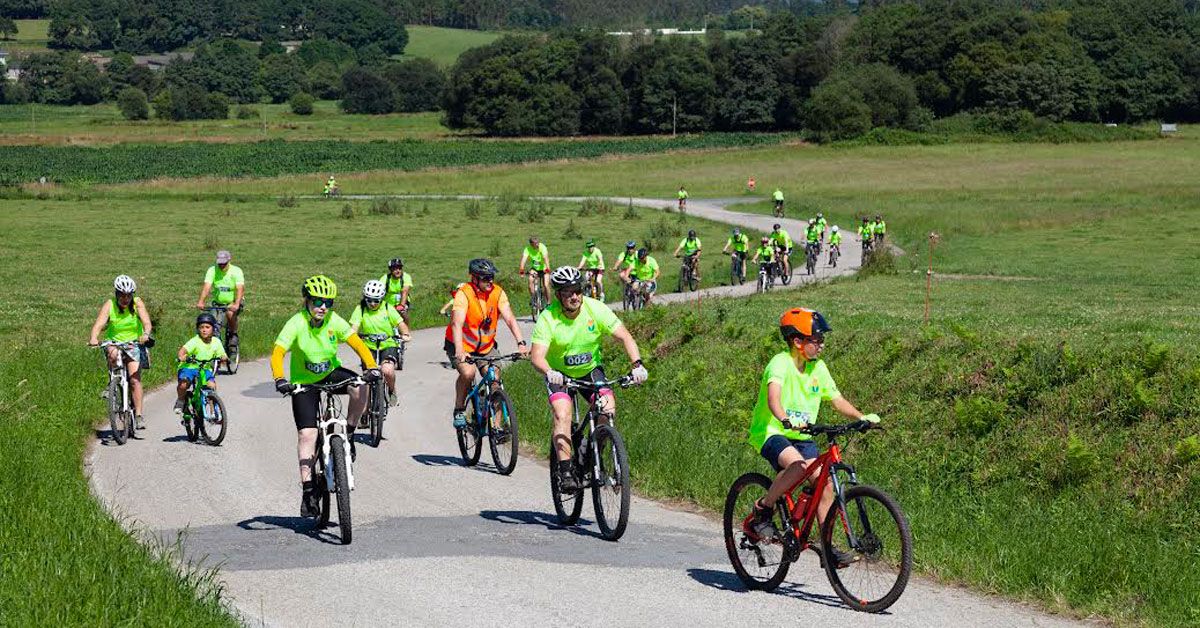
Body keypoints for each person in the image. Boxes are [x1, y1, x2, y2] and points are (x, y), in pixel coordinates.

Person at [746, 308, 880, 566]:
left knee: (825, 484)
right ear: (797, 342)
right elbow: (774, 398)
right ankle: (763, 509)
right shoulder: (780, 362)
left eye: (822, 341)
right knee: (799, 466)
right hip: (772, 431)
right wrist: (785, 419)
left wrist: (861, 417)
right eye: (815, 340)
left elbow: (837, 399)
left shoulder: (818, 368)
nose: (821, 346)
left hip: (803, 434)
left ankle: (827, 548)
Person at [272, 275, 381, 518]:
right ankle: (308, 491)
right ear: (307, 301)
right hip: (304, 383)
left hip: (331, 373)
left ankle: (350, 434)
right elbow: (278, 351)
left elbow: (356, 343)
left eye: (328, 303)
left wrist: (371, 365)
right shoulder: (296, 322)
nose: (323, 307)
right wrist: (280, 378)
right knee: (307, 434)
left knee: (360, 386)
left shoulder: (334, 320)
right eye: (318, 301)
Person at [531, 267, 648, 491]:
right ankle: (565, 471)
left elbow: (625, 336)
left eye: (578, 291)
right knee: (562, 414)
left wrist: (637, 365)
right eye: (568, 292)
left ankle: (592, 452)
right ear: (558, 296)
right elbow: (536, 356)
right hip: (559, 374)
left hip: (590, 370)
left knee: (608, 409)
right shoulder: (548, 317)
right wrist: (549, 372)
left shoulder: (595, 309)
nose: (574, 296)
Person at [445, 259, 530, 429]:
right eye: (485, 278)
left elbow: (510, 319)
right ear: (474, 278)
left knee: (495, 382)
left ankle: (496, 427)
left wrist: (521, 343)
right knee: (468, 374)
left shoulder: (497, 292)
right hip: (460, 344)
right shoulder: (464, 293)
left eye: (491, 277)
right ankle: (459, 409)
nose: (490, 281)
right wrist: (460, 351)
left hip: (486, 347)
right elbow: (457, 324)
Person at [88, 275, 153, 430]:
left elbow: (147, 322)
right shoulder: (109, 305)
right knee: (113, 354)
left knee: (134, 380)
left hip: (133, 343)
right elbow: (99, 323)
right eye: (122, 295)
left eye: (128, 296)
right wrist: (93, 338)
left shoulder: (137, 303)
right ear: (116, 294)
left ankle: (138, 415)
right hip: (114, 342)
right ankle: (112, 384)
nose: (125, 299)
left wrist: (146, 334)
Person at [349, 280, 412, 406]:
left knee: (387, 370)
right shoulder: (360, 309)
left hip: (388, 344)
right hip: (368, 346)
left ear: (381, 299)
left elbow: (400, 324)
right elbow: (354, 328)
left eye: (376, 300)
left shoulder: (388, 308)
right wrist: (352, 336)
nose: (372, 303)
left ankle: (391, 390)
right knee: (367, 376)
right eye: (369, 300)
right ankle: (365, 410)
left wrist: (405, 334)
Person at [195, 250, 244, 360]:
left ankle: (233, 336)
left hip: (233, 302)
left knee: (230, 314)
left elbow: (240, 289)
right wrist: (201, 301)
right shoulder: (212, 270)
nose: (221, 265)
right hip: (218, 303)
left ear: (229, 261)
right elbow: (207, 287)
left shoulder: (236, 271)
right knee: (211, 322)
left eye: (224, 263)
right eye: (219, 263)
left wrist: (236, 303)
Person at [174, 312, 227, 414]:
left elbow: (222, 354)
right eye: (201, 327)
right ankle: (180, 400)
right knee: (184, 384)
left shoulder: (216, 342)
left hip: (205, 368)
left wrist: (224, 358)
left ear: (213, 329)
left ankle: (213, 412)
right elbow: (183, 350)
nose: (204, 329)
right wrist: (182, 356)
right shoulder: (195, 341)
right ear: (198, 329)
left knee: (211, 386)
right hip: (189, 367)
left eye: (207, 327)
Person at [518, 236, 551, 305]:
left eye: (538, 243)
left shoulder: (542, 247)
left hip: (544, 268)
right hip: (535, 268)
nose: (537, 244)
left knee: (546, 284)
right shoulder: (527, 249)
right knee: (530, 282)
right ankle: (534, 298)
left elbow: (546, 258)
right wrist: (521, 270)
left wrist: (548, 268)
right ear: (531, 244)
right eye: (535, 243)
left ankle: (548, 302)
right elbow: (523, 260)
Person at [380, 258, 414, 325]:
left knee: (403, 314)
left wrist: (401, 305)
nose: (398, 271)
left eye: (400, 268)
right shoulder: (385, 278)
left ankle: (406, 332)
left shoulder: (406, 277)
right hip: (388, 303)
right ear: (390, 270)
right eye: (395, 269)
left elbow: (405, 291)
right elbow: (379, 290)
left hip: (402, 302)